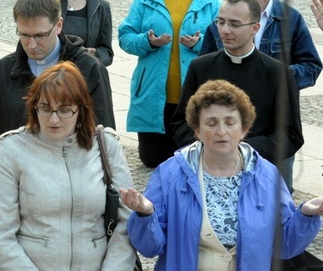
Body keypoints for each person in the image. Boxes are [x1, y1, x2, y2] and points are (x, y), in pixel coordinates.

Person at [122, 79, 323, 270]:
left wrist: (306, 214)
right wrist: (145, 215)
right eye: (211, 123)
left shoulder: (267, 176)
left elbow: (284, 246)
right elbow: (150, 248)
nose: (221, 131)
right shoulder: (170, 174)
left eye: (229, 122)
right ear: (197, 130)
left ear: (244, 129)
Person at [0, 61, 138, 270]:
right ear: (33, 106)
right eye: (45, 109)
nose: (54, 119)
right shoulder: (12, 149)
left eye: (65, 110)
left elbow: (127, 222)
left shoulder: (106, 146)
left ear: (80, 110)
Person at [0, 0, 115, 172]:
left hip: (74, 178)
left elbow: (104, 137)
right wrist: (2, 176)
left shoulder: (89, 69)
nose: (31, 45)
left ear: (58, 25)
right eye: (24, 35)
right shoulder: (3, 70)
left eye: (40, 35)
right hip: (17, 179)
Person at [172, 0, 303, 191]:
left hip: (258, 175)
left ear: (255, 28)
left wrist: (238, 150)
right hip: (205, 171)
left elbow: (290, 135)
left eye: (234, 24)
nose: (224, 30)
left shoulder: (277, 73)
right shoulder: (200, 67)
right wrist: (209, 146)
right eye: (220, 22)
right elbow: (180, 123)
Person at [118, 0, 219, 168]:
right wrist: (148, 41)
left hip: (193, 95)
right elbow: (125, 37)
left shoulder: (211, 2)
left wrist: (199, 43)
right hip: (154, 95)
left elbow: (224, 43)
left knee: (190, 161)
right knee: (152, 160)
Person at [201, 0, 322, 91]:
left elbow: (311, 67)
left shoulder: (290, 19)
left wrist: (271, 76)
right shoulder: (225, 17)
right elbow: (204, 68)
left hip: (275, 108)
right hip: (231, 106)